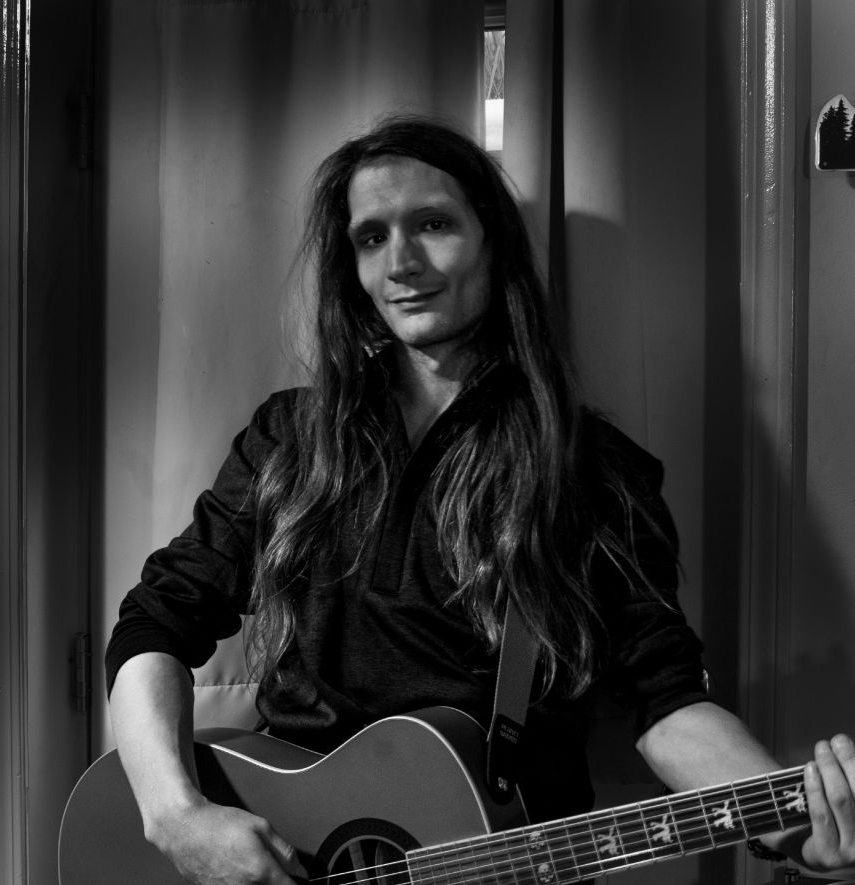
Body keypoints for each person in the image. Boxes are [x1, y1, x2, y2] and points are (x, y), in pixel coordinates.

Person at [106, 116, 855, 884]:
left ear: (492, 242)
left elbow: (663, 701)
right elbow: (152, 624)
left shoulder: (587, 469)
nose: (402, 262)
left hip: (503, 858)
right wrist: (174, 814)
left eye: (433, 224)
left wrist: (790, 818)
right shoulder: (292, 437)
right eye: (371, 237)